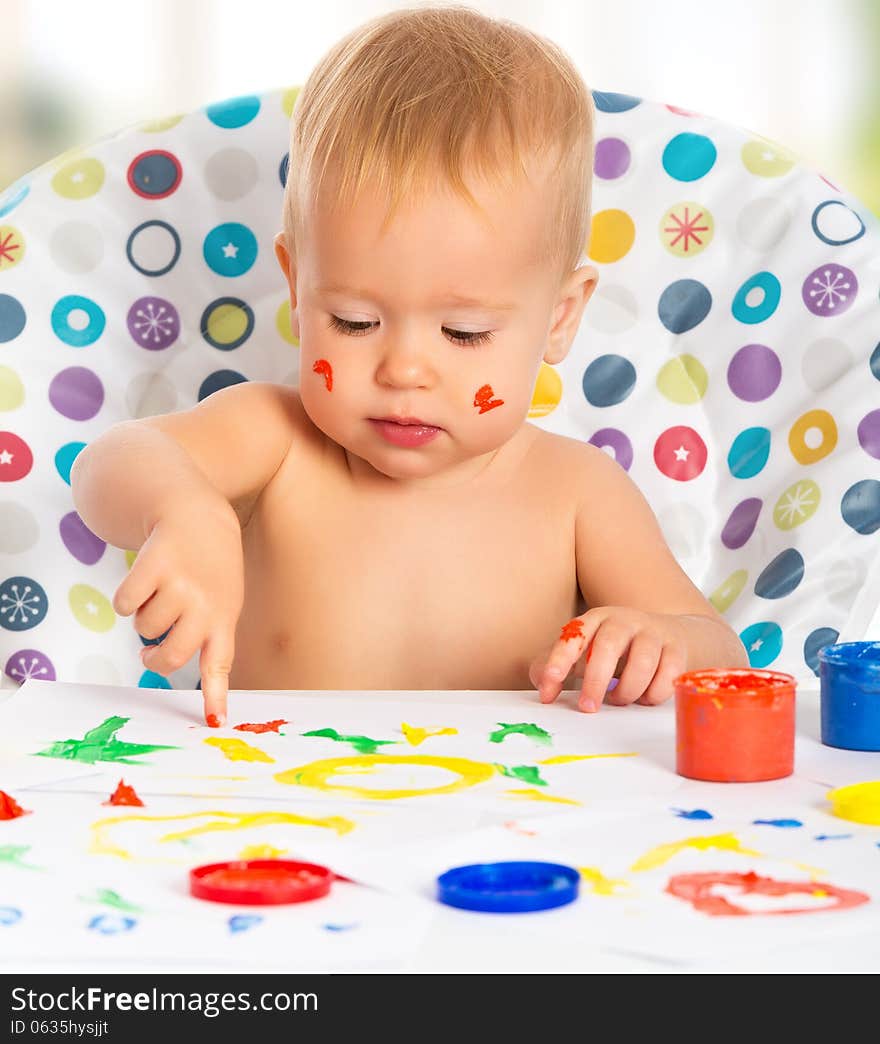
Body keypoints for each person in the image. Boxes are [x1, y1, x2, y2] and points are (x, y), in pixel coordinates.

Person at [70, 4, 748, 727]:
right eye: (354, 322)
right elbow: (108, 466)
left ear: (559, 319)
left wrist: (660, 642)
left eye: (463, 332)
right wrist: (185, 509)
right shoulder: (275, 440)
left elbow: (724, 657)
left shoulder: (577, 492)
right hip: (278, 805)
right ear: (298, 290)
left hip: (510, 816)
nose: (405, 371)